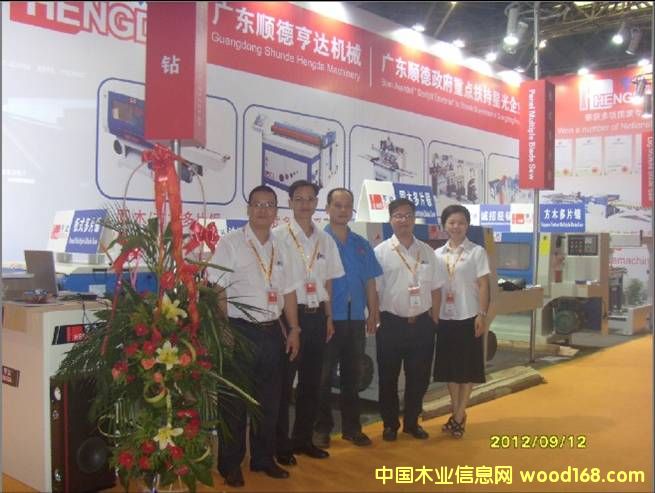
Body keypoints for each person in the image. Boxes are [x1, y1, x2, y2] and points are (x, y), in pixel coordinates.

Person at [210, 185, 302, 488]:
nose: (263, 210)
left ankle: (263, 459)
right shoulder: (231, 243)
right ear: (248, 208)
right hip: (240, 330)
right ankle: (230, 464)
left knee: (269, 401)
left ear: (276, 211)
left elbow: (289, 292)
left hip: (273, 331)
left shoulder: (282, 246)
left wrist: (294, 329)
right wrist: (223, 327)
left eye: (269, 205)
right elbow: (218, 287)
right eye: (258, 204)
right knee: (234, 403)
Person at [273, 180, 344, 464]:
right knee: (283, 385)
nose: (305, 204)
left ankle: (303, 440)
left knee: (312, 383)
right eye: (299, 199)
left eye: (310, 199)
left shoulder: (326, 240)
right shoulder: (278, 237)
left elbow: (328, 281)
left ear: (317, 203)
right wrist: (286, 323)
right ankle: (281, 446)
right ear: (290, 202)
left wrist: (329, 316)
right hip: (288, 318)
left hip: (317, 318)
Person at [313, 188, 382, 448]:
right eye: (337, 205)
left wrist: (373, 311)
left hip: (355, 320)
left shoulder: (361, 244)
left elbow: (370, 280)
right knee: (323, 376)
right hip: (328, 319)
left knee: (352, 376)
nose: (343, 210)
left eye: (347, 206)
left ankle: (352, 428)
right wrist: (327, 317)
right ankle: (322, 428)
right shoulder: (319, 242)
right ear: (327, 208)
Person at [373, 198, 443, 441]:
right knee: (388, 377)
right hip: (390, 324)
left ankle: (412, 422)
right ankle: (390, 424)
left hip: (422, 324)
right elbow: (374, 290)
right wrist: (374, 318)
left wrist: (434, 320)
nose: (404, 220)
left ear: (414, 219)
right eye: (398, 216)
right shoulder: (380, 252)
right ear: (390, 219)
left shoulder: (427, 251)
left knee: (420, 377)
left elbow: (436, 288)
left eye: (408, 216)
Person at [433, 204, 490, 439]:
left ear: (467, 225)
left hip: (469, 316)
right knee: (450, 369)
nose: (456, 227)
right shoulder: (437, 254)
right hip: (445, 317)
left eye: (461, 223)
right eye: (452, 222)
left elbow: (484, 285)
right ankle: (457, 412)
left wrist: (482, 314)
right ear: (444, 225)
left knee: (467, 368)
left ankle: (458, 415)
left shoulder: (477, 252)